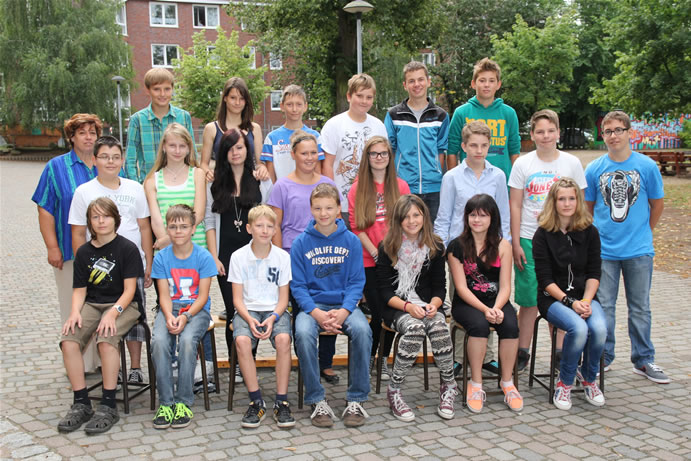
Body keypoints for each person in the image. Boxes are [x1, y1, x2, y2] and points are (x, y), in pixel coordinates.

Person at [584, 110, 669, 384]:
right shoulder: (594, 169)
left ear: (629, 132)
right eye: (608, 131)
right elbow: (588, 208)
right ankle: (603, 357)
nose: (613, 136)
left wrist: (644, 231)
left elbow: (657, 204)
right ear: (603, 135)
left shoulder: (647, 166)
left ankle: (643, 359)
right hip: (604, 252)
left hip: (639, 251)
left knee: (640, 307)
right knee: (605, 308)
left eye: (618, 130)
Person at [69, 136, 153, 386]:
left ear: (122, 160)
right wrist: (84, 266)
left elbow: (144, 227)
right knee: (104, 321)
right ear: (94, 160)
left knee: (134, 320)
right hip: (99, 269)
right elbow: (77, 232)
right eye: (105, 157)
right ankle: (112, 369)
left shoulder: (134, 188)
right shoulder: (84, 191)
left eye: (116, 157)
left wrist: (148, 262)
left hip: (131, 266)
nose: (110, 162)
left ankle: (135, 368)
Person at [508, 109, 587, 370]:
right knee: (529, 299)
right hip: (530, 238)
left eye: (550, 131)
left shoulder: (571, 163)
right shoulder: (523, 164)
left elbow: (580, 204)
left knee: (561, 295)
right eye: (540, 131)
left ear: (558, 133)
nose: (545, 136)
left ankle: (560, 353)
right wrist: (516, 242)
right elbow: (515, 204)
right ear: (532, 134)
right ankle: (522, 351)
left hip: (563, 240)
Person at [58, 197, 143, 434]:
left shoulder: (127, 248)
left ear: (115, 219)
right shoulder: (84, 252)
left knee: (106, 340)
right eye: (95, 217)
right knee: (69, 341)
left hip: (124, 305)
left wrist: (113, 313)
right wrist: (74, 312)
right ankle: (81, 402)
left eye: (106, 216)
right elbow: (79, 290)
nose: (101, 221)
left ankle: (108, 404)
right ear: (89, 222)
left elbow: (130, 291)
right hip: (93, 304)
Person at [435, 120, 511, 378]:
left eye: (484, 145)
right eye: (474, 145)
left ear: (489, 147)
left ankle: (487, 357)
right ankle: (457, 357)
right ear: (464, 146)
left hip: (489, 251)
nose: (479, 150)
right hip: (461, 251)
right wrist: (443, 250)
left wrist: (505, 246)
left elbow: (503, 216)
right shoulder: (451, 177)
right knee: (462, 300)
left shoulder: (498, 176)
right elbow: (444, 216)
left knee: (490, 298)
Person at [291, 184, 371, 428]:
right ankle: (316, 399)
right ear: (311, 209)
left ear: (338, 209)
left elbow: (357, 282)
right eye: (317, 208)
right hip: (313, 306)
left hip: (344, 305)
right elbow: (298, 286)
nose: (323, 213)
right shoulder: (300, 243)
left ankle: (356, 398)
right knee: (302, 333)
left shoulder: (352, 241)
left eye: (328, 208)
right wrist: (316, 313)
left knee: (362, 330)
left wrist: (345, 311)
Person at [143, 123, 214, 385]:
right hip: (166, 253)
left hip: (195, 249)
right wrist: (168, 240)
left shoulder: (197, 174)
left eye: (182, 145)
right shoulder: (152, 180)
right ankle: (173, 361)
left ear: (188, 148)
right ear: (164, 147)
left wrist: (178, 234)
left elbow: (198, 212)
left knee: (198, 305)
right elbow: (155, 218)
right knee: (170, 302)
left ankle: (203, 366)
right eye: (172, 145)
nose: (176, 150)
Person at [376, 194, 458, 422]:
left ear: (424, 217)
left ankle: (449, 386)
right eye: (406, 217)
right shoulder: (387, 246)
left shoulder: (435, 246)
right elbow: (385, 292)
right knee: (415, 329)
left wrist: (434, 305)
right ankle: (394, 390)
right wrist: (408, 307)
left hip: (427, 305)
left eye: (416, 215)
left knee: (439, 327)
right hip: (397, 307)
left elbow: (440, 288)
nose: (412, 221)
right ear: (398, 220)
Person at [267, 130, 340, 383]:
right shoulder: (282, 185)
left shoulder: (327, 184)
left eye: (313, 153)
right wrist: (280, 257)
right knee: (302, 309)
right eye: (304, 153)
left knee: (329, 304)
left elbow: (337, 221)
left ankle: (326, 362)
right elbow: (276, 225)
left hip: (326, 255)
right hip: (293, 256)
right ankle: (306, 363)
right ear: (293, 155)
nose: (309, 158)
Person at [33, 113, 103, 373]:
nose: (88, 137)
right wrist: (52, 247)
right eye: (82, 133)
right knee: (73, 305)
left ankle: (103, 361)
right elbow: (45, 208)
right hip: (69, 251)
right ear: (71, 137)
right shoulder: (56, 167)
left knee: (102, 305)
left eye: (92, 133)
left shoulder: (105, 164)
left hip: (106, 253)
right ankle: (79, 364)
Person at [533, 178, 607, 410]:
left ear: (578, 201)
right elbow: (545, 280)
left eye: (571, 198)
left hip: (585, 297)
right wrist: (570, 302)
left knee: (600, 328)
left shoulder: (590, 232)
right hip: (552, 299)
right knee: (579, 328)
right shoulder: (542, 235)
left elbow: (594, 272)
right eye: (561, 199)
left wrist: (585, 301)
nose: (567, 204)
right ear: (553, 202)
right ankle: (564, 382)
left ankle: (589, 378)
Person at [205, 128, 271, 381]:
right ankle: (236, 364)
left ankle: (248, 362)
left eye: (240, 147)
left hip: (255, 259)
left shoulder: (260, 181)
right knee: (234, 311)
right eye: (230, 148)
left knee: (252, 309)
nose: (235, 152)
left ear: (247, 150)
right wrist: (214, 256)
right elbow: (209, 222)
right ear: (223, 152)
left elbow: (269, 219)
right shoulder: (213, 183)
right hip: (226, 259)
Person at [447, 194, 522, 413]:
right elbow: (461, 288)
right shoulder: (456, 247)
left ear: (492, 218)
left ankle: (507, 382)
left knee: (510, 325)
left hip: (496, 301)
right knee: (479, 326)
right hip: (467, 303)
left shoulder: (503, 246)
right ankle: (476, 383)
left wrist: (496, 308)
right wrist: (485, 310)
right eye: (472, 215)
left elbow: (506, 286)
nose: (477, 220)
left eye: (482, 215)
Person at [348, 136, 410, 380]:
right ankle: (369, 358)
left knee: (390, 312)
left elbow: (408, 224)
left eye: (383, 153)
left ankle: (383, 359)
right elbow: (356, 227)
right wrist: (376, 252)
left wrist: (391, 254)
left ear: (390, 157)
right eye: (374, 153)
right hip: (368, 260)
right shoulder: (357, 189)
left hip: (395, 261)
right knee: (377, 312)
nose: (379, 157)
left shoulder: (401, 187)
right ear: (367, 158)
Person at [151, 205, 218, 429]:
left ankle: (183, 401)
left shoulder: (204, 256)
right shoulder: (161, 258)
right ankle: (166, 403)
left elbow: (203, 296)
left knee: (188, 341)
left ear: (192, 229)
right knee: (159, 341)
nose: (178, 231)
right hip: (170, 308)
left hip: (196, 310)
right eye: (173, 227)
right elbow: (163, 295)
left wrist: (186, 316)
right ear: (167, 229)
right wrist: (169, 315)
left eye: (183, 226)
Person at [229, 205, 294, 428]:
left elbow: (284, 299)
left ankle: (281, 401)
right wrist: (249, 319)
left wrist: (273, 317)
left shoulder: (282, 257)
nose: (265, 230)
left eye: (269, 226)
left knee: (283, 339)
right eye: (259, 226)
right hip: (247, 310)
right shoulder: (238, 257)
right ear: (249, 228)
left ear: (275, 230)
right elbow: (237, 299)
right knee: (242, 340)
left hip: (275, 310)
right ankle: (256, 401)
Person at [384, 60, 450, 221]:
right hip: (404, 186)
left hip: (433, 188)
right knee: (404, 229)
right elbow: (390, 150)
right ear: (405, 85)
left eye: (421, 79)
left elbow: (441, 150)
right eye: (411, 81)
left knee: (432, 232)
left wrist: (436, 174)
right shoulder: (394, 115)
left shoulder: (441, 116)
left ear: (428, 82)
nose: (417, 84)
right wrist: (394, 180)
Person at [321, 73, 388, 227]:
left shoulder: (378, 126)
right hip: (342, 205)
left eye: (369, 97)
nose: (364, 101)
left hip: (371, 204)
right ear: (349, 96)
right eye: (359, 96)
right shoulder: (334, 125)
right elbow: (327, 166)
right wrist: (333, 201)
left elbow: (384, 163)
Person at [448, 58, 520, 184]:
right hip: (469, 183)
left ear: (498, 84)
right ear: (473, 84)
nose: (487, 85)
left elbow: (514, 151)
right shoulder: (461, 113)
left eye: (491, 81)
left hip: (501, 183)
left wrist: (516, 184)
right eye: (482, 80)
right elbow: (452, 151)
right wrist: (454, 182)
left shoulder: (509, 113)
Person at [125, 68, 195, 184]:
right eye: (157, 89)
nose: (162, 94)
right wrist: (137, 187)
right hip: (149, 185)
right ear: (148, 90)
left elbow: (192, 154)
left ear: (172, 89)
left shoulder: (183, 117)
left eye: (167, 89)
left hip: (180, 184)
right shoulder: (137, 120)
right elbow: (130, 160)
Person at [200, 77, 267, 182]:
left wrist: (262, 169)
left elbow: (259, 164)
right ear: (225, 98)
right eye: (233, 98)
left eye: (242, 98)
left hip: (248, 187)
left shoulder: (255, 129)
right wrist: (208, 172)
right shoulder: (211, 129)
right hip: (221, 186)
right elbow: (204, 164)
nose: (237, 102)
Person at [261, 84, 324, 183]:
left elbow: (318, 171)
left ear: (305, 106)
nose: (294, 109)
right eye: (289, 104)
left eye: (299, 104)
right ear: (282, 106)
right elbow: (271, 177)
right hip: (282, 191)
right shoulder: (272, 138)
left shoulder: (315, 137)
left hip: (308, 191)